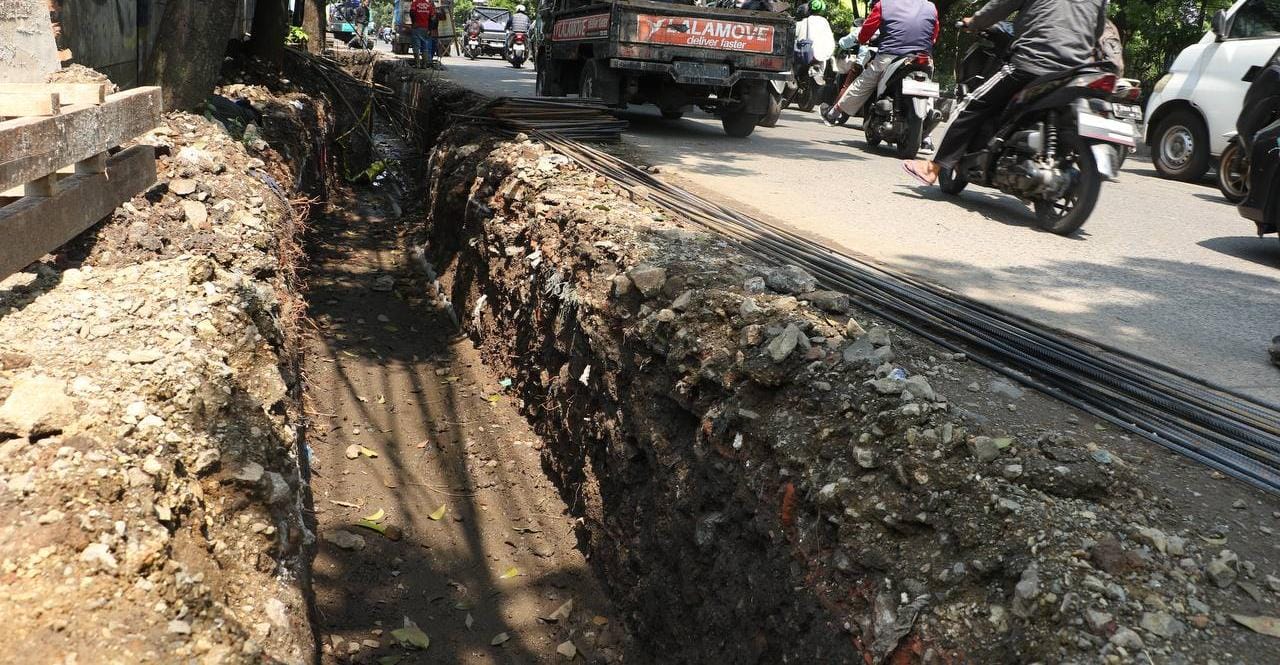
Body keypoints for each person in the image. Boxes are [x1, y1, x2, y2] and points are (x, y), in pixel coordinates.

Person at [902, 0, 1109, 185]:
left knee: (974, 104)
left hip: (1031, 62)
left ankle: (933, 168)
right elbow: (1098, 30)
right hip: (1074, 70)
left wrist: (974, 22)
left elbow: (999, 6)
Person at [820, 0, 940, 126]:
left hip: (890, 56)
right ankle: (928, 133)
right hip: (923, 57)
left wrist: (862, 39)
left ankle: (834, 113)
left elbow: (866, 32)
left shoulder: (883, 5)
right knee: (927, 89)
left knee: (863, 83)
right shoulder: (931, 7)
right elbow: (934, 36)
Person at [410, 0, 437, 68]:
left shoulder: (415, 3)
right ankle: (424, 64)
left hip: (416, 27)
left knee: (416, 46)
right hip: (425, 28)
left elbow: (412, 13)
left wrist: (414, 22)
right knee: (425, 46)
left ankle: (417, 64)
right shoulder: (429, 5)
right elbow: (433, 18)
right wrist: (430, 29)